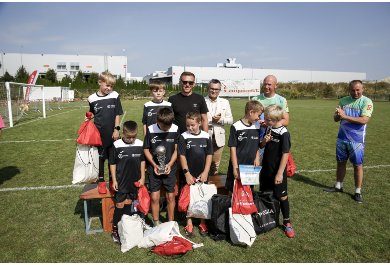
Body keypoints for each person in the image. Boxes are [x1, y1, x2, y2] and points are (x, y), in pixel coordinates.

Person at [324, 80, 374, 203]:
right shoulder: (343, 101)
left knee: (357, 165)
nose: (355, 92)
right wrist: (337, 115)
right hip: (342, 138)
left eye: (358, 90)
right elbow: (336, 119)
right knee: (340, 162)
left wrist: (344, 116)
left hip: (357, 141)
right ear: (349, 90)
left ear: (363, 89)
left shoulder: (366, 102)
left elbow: (364, 120)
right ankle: (338, 186)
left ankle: (357, 191)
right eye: (353, 90)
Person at [260, 104, 295, 238]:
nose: (265, 121)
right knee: (266, 194)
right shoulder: (269, 128)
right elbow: (262, 146)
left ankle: (287, 222)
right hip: (266, 169)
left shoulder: (284, 133)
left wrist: (280, 173)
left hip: (277, 171)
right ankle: (267, 218)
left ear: (275, 119)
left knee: (282, 196)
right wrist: (264, 141)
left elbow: (285, 154)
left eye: (267, 119)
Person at [109, 120, 145, 243]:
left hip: (134, 181)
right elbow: (112, 163)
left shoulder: (140, 144)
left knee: (130, 203)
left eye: (134, 137)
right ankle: (115, 230)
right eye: (129, 137)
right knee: (119, 205)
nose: (131, 139)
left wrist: (143, 177)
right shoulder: (117, 145)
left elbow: (142, 161)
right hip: (121, 181)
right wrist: (114, 180)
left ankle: (127, 227)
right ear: (123, 133)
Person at [88, 71, 123, 194]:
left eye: (111, 86)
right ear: (100, 82)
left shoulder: (115, 95)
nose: (109, 88)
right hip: (99, 136)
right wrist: (88, 117)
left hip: (113, 134)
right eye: (107, 85)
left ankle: (114, 181)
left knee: (114, 159)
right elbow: (92, 113)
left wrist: (116, 129)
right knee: (100, 159)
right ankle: (101, 183)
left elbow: (117, 114)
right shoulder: (91, 98)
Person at [178, 112, 213, 237]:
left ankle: (203, 222)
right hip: (189, 173)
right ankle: (189, 222)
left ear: (199, 123)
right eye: (187, 125)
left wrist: (206, 172)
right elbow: (182, 155)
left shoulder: (206, 136)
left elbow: (209, 154)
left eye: (192, 125)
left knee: (202, 196)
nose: (190, 128)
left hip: (202, 173)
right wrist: (187, 173)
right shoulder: (183, 136)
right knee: (189, 198)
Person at [143, 107, 180, 226]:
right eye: (164, 127)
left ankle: (170, 223)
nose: (166, 129)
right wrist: (154, 165)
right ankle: (156, 223)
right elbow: (146, 149)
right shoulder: (150, 129)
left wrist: (169, 164)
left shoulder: (175, 128)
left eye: (168, 127)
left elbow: (176, 150)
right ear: (158, 121)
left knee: (170, 196)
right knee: (154, 197)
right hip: (154, 169)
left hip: (170, 168)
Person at [225, 100, 263, 193]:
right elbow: (232, 148)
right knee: (233, 191)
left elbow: (256, 145)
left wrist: (257, 158)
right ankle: (232, 207)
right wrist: (235, 167)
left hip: (251, 165)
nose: (259, 118)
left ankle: (246, 207)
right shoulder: (236, 126)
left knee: (249, 190)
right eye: (258, 115)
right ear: (251, 112)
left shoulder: (257, 126)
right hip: (238, 164)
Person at [252, 75, 290, 157]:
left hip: (274, 139)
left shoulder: (281, 100)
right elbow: (249, 118)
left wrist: (268, 123)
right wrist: (259, 122)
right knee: (256, 165)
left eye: (269, 84)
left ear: (276, 85)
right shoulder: (255, 99)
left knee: (271, 164)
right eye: (265, 84)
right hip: (257, 138)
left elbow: (286, 121)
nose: (266, 87)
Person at [204, 79, 233, 175]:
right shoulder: (201, 101)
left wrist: (220, 120)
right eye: (212, 88)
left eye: (217, 89)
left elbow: (231, 120)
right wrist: (211, 121)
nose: (214, 91)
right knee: (203, 163)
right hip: (204, 136)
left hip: (219, 139)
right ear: (208, 89)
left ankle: (213, 186)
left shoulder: (225, 102)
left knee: (215, 165)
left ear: (220, 90)